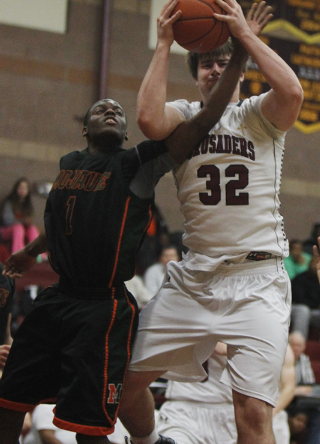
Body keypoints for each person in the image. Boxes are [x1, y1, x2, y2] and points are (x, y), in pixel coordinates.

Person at [0, 25, 253, 444]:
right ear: (85, 129)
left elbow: (205, 120)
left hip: (102, 307)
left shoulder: (136, 163)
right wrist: (29, 253)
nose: (112, 112)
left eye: (118, 111)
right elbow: (63, 218)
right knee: (8, 401)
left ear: (125, 132)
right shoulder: (69, 166)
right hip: (58, 299)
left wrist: (239, 59)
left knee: (88, 427)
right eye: (102, 109)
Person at [117, 0, 304, 444]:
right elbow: (145, 117)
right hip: (194, 278)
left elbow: (294, 91)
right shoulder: (184, 116)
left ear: (237, 69)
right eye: (205, 62)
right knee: (119, 387)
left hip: (257, 280)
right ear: (196, 72)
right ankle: (149, 441)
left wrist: (244, 34)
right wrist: (163, 44)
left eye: (223, 61)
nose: (215, 69)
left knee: (252, 416)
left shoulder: (257, 115)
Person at [157, 344, 295, 444]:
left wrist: (270, 414)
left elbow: (289, 387)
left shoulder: (273, 338)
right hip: (185, 410)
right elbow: (221, 348)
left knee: (276, 421)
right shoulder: (188, 318)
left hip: (234, 412)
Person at [287, 331, 320, 444]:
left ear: (304, 348)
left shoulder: (304, 360)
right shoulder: (281, 359)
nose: (296, 348)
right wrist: (294, 390)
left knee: (317, 415)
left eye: (299, 346)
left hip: (300, 403)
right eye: (293, 344)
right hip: (283, 403)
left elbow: (308, 387)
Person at [0, 177, 40, 254]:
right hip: (6, 230)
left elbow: (29, 218)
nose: (22, 190)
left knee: (32, 229)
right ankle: (18, 253)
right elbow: (7, 220)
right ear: (16, 189)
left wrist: (28, 222)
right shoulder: (9, 202)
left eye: (25, 188)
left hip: (23, 229)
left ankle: (38, 254)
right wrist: (22, 221)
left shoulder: (28, 205)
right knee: (18, 227)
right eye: (20, 187)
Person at [290, 256, 320, 340]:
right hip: (297, 308)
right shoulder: (301, 278)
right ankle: (298, 342)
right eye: (314, 263)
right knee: (303, 310)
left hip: (314, 312)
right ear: (309, 264)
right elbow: (299, 299)